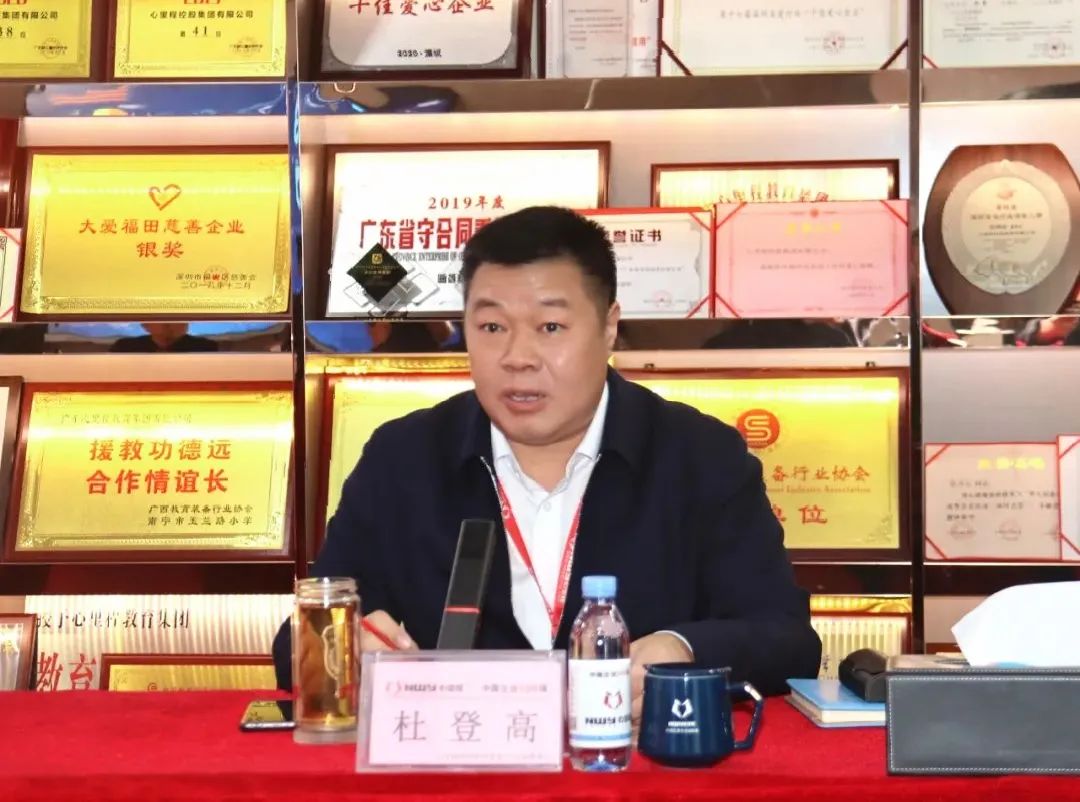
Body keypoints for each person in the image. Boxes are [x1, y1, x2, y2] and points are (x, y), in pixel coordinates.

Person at [272, 206, 821, 716]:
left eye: (551, 328)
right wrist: (343, 649)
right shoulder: (403, 459)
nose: (518, 358)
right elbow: (298, 640)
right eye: (492, 328)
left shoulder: (699, 456)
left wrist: (681, 651)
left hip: (634, 767)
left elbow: (787, 639)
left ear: (609, 326)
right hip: (459, 763)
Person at [109, 322, 218, 353]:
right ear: (145, 325)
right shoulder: (124, 347)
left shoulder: (206, 348)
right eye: (165, 323)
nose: (172, 324)